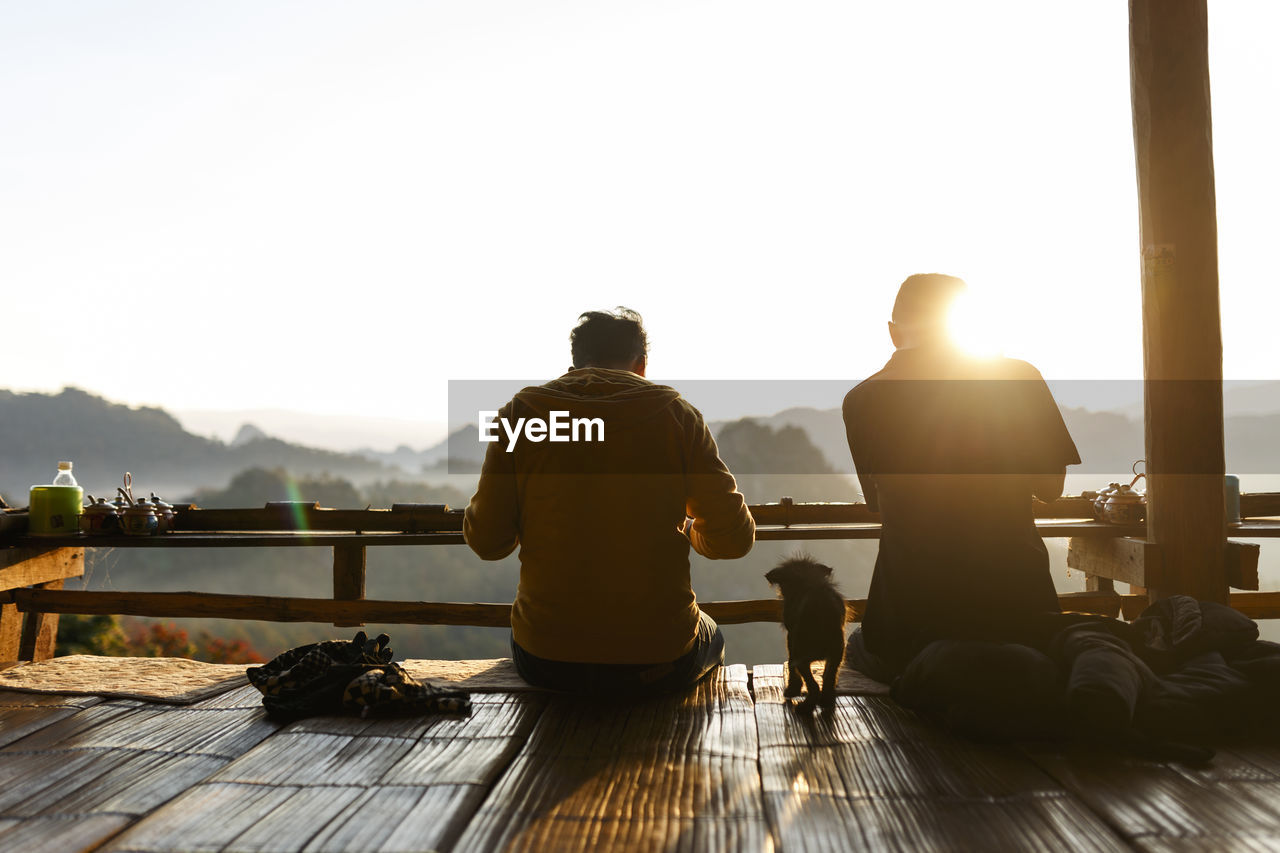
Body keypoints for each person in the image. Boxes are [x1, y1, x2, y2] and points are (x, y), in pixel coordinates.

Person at [464, 307, 755, 696]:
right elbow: (734, 540)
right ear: (642, 364)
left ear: (574, 363)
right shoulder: (676, 416)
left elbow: (487, 542)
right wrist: (688, 529)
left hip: (546, 660)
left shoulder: (522, 415)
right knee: (709, 633)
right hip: (658, 662)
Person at [843, 274, 1081, 680]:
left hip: (911, 628)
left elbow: (879, 507)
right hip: (1023, 614)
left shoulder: (862, 399)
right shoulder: (1018, 377)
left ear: (893, 332)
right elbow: (1051, 489)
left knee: (860, 645)